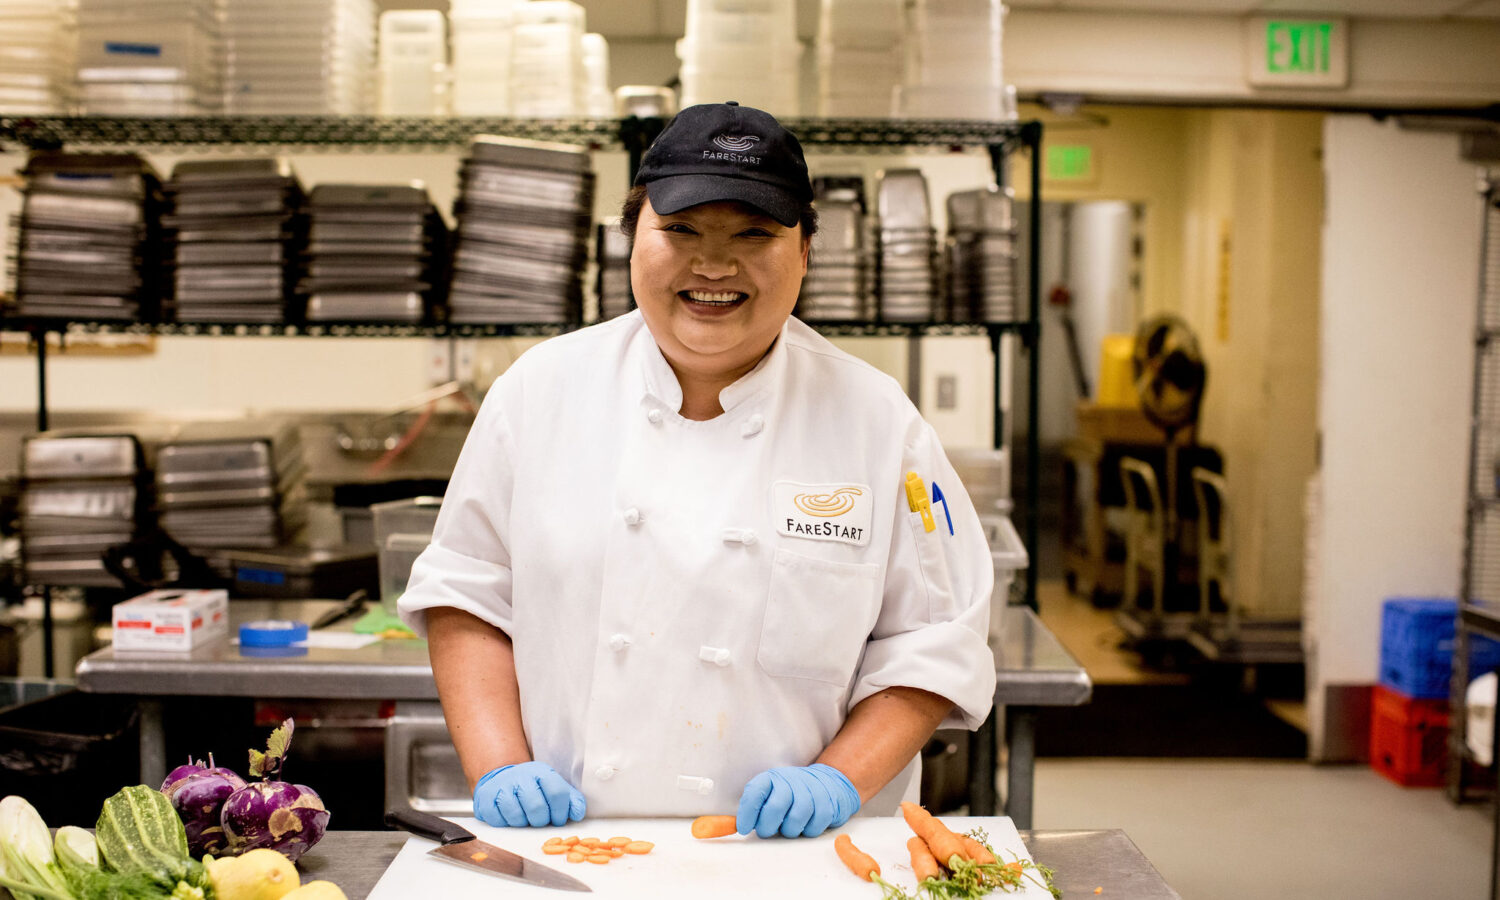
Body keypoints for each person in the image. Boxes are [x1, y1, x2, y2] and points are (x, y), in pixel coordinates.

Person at [399, 101, 997, 840]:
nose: (714, 265)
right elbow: (467, 594)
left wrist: (839, 778)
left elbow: (933, 643)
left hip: (797, 860)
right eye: (680, 231)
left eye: (754, 234)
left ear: (806, 251)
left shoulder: (878, 422)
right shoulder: (540, 390)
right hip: (569, 848)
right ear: (630, 241)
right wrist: (497, 765)